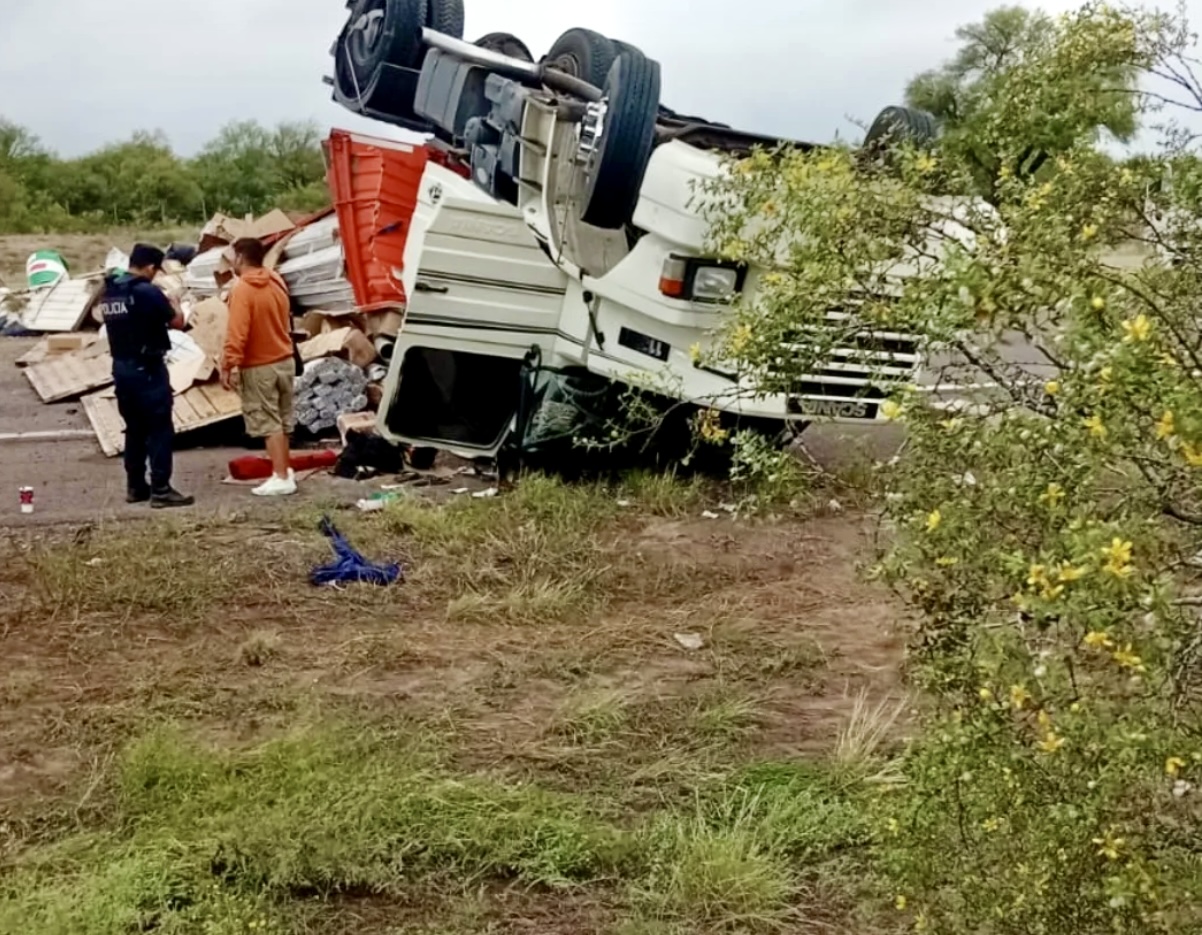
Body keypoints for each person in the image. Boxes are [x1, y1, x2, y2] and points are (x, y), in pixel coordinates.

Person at [96, 244, 194, 509]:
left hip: (122, 368)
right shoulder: (147, 292)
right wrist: (173, 301)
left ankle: (135, 486)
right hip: (148, 369)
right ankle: (161, 489)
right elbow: (177, 322)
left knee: (134, 429)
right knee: (159, 429)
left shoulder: (111, 291)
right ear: (150, 267)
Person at [221, 237, 298, 497]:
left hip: (259, 365)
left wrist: (228, 364)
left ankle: (280, 476)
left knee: (268, 422)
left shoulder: (243, 289)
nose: (229, 262)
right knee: (284, 419)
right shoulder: (276, 280)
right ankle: (285, 469)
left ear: (241, 258)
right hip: (284, 360)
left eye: (231, 256)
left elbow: (237, 332)